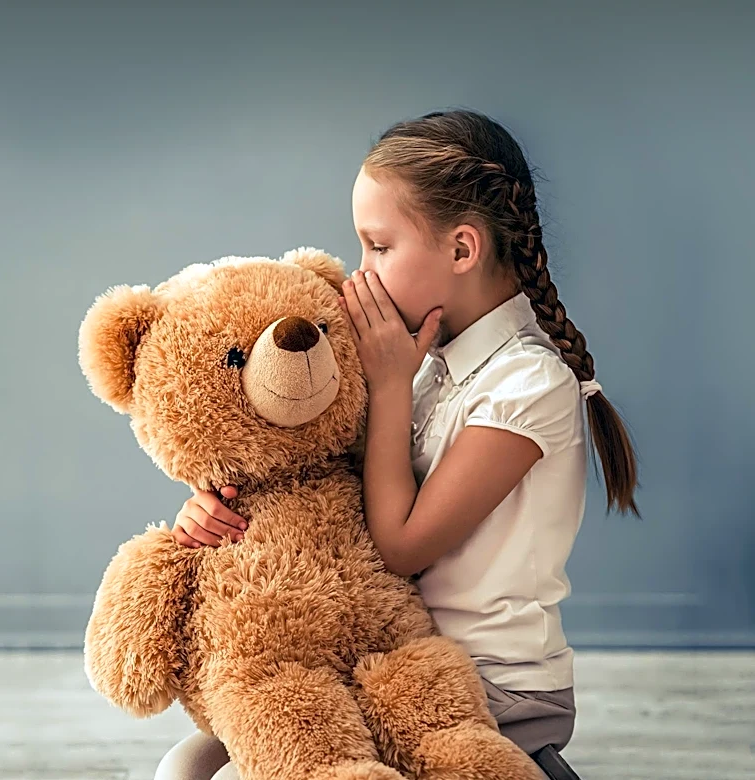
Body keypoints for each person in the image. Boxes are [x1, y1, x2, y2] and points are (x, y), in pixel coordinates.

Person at [154, 108, 640, 780]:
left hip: (488, 688)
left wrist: (388, 386)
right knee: (187, 766)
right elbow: (325, 481)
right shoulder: (425, 363)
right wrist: (212, 514)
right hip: (376, 656)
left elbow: (403, 543)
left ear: (462, 249)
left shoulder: (528, 384)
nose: (362, 274)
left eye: (378, 246)